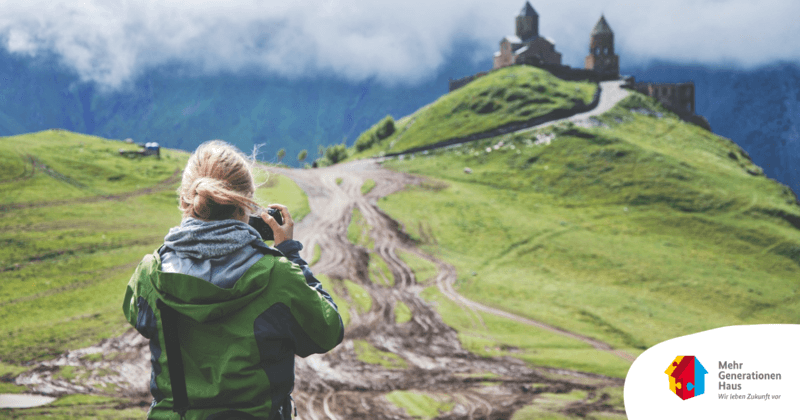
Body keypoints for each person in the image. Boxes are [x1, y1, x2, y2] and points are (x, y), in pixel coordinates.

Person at [123, 140, 343, 420]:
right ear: (247, 206)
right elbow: (327, 332)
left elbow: (138, 317)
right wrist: (290, 254)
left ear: (185, 201)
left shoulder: (150, 273)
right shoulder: (278, 274)